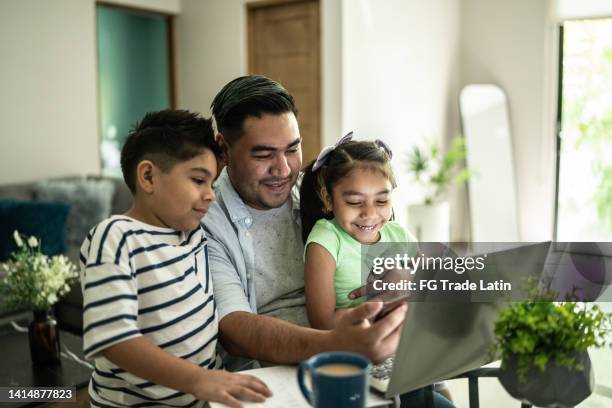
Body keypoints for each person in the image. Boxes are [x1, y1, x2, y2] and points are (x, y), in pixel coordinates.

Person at [204, 75, 455, 407]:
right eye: (263, 155)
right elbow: (234, 330)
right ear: (224, 149)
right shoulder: (207, 221)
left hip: (364, 347)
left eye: (293, 149)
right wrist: (340, 342)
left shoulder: (318, 189)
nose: (283, 169)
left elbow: (384, 239)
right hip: (281, 372)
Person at [80, 110, 271, 408]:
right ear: (148, 176)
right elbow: (114, 340)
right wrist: (199, 380)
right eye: (198, 180)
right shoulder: (117, 237)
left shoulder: (193, 234)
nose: (210, 195)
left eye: (212, 183)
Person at [299, 134, 453, 403]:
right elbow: (321, 322)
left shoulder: (399, 235)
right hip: (359, 357)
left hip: (409, 353)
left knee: (442, 395)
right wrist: (379, 307)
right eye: (355, 202)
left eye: (381, 201)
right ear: (328, 198)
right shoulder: (325, 239)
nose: (369, 214)